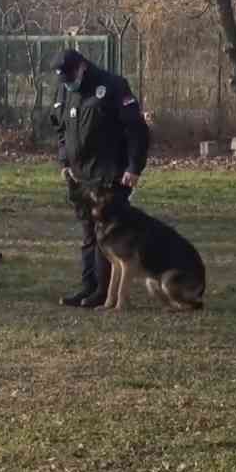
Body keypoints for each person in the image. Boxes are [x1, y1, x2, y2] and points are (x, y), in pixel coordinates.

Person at [52, 48, 150, 308]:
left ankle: (105, 291)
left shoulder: (113, 86)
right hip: (79, 176)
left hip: (110, 175)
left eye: (71, 77)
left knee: (108, 234)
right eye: (64, 79)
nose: (68, 83)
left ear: (82, 67)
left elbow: (136, 130)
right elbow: (60, 129)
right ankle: (90, 286)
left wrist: (134, 167)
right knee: (88, 233)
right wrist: (65, 161)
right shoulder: (65, 89)